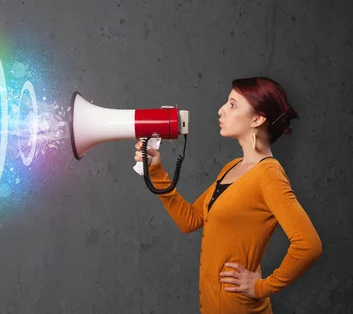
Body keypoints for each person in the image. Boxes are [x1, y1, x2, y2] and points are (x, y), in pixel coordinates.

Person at [134, 77, 322, 313]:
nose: (221, 109)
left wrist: (262, 287)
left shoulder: (269, 175)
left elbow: (309, 245)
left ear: (257, 118)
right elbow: (190, 220)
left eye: (232, 104)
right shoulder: (232, 167)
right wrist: (156, 171)